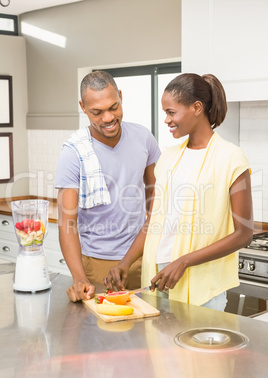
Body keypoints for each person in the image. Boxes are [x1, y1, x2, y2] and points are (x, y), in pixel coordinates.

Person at [105, 73, 253, 311]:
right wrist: (126, 262)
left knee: (195, 349)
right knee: (159, 349)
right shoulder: (169, 157)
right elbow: (154, 221)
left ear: (196, 108)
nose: (166, 120)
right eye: (165, 113)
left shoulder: (231, 158)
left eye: (171, 112)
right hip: (158, 284)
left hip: (203, 292)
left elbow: (244, 233)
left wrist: (183, 262)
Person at [55, 70, 161, 302]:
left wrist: (130, 259)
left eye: (113, 107)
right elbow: (67, 223)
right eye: (97, 112)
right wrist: (79, 278)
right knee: (100, 335)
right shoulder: (73, 153)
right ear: (83, 107)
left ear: (120, 96)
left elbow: (156, 207)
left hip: (142, 259)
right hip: (96, 265)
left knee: (145, 335)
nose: (108, 118)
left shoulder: (144, 138)